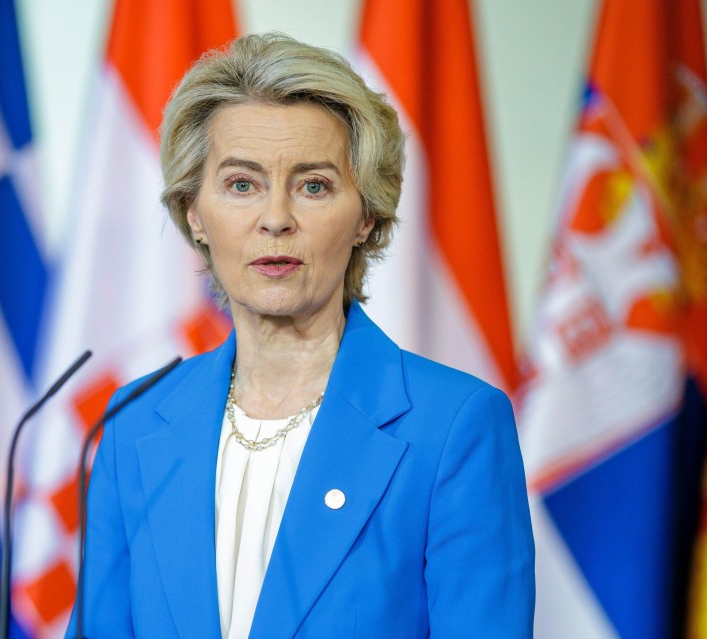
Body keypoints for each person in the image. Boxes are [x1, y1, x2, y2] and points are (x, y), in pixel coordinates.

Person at [69, 32, 534, 638]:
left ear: (366, 214)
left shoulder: (453, 427)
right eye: (242, 184)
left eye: (313, 186)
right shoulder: (136, 421)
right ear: (193, 213)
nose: (276, 218)